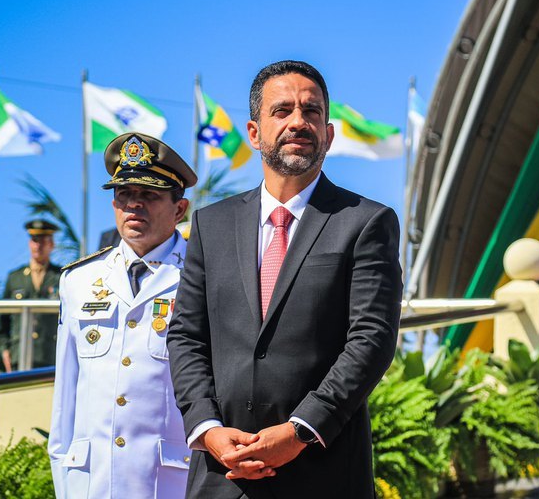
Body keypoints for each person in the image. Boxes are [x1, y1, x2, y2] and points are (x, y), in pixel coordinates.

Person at [167, 60, 402, 498]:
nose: (299, 122)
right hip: (222, 475)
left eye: (311, 112)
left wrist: (300, 431)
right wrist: (207, 427)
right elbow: (186, 336)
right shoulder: (209, 225)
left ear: (328, 134)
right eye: (283, 111)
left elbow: (371, 340)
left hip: (324, 472)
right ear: (254, 132)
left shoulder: (367, 222)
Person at [48, 132, 197, 498]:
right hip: (90, 480)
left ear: (179, 210)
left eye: (148, 195)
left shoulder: (203, 275)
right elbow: (65, 399)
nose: (134, 205)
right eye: (124, 195)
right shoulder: (78, 280)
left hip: (170, 481)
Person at [0, 219, 61, 371]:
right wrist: (5, 351)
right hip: (18, 355)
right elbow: (3, 322)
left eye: (43, 241)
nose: (38, 245)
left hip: (50, 356)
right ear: (29, 243)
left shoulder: (61, 276)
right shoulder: (15, 278)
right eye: (34, 240)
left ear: (51, 244)